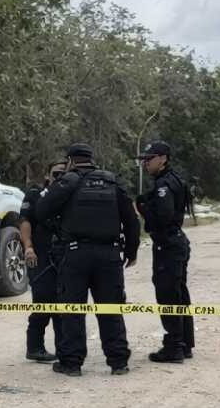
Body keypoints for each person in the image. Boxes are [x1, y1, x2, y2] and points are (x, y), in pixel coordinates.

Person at [37, 143, 140, 377]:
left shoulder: (68, 182)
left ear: (71, 160)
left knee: (73, 309)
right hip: (110, 255)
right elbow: (132, 220)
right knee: (111, 308)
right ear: (91, 160)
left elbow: (42, 210)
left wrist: (58, 228)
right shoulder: (112, 182)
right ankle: (118, 362)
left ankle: (71, 363)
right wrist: (131, 252)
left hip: (75, 254)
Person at [136, 140, 195, 362]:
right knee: (179, 294)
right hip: (174, 243)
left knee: (168, 295)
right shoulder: (172, 180)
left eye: (149, 159)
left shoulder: (163, 185)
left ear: (163, 159)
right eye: (144, 160)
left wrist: (143, 209)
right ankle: (184, 343)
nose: (146, 164)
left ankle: (174, 347)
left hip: (168, 244)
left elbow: (163, 217)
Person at [20, 159, 67, 363]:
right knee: (43, 300)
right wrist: (28, 247)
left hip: (64, 256)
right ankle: (35, 347)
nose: (60, 178)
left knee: (63, 303)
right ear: (48, 176)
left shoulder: (70, 194)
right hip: (39, 255)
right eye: (56, 174)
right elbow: (24, 221)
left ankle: (64, 348)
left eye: (64, 174)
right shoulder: (35, 194)